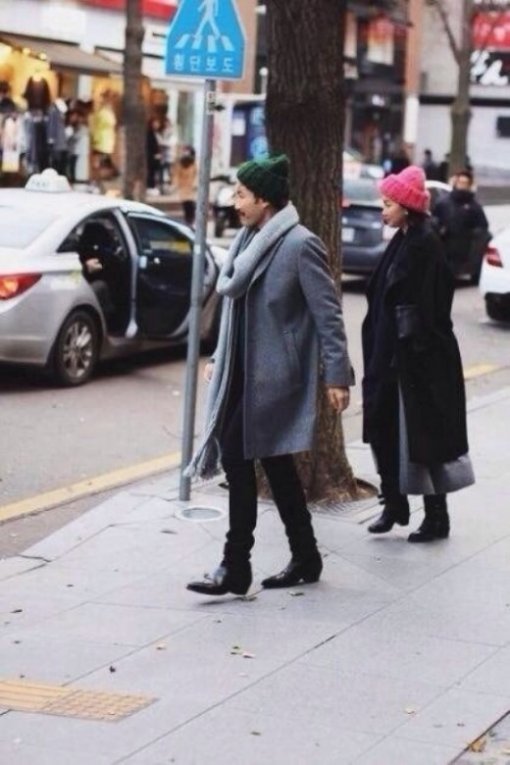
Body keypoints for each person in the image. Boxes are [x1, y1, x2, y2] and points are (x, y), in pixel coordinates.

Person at [186, 154, 354, 596]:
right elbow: (235, 310)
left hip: (276, 379)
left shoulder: (300, 245)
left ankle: (234, 564)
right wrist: (220, 355)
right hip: (240, 375)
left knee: (238, 459)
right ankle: (306, 554)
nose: (234, 201)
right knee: (276, 465)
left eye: (241, 194)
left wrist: (337, 376)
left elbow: (329, 317)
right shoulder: (247, 241)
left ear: (264, 199)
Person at [362, 165, 474, 543]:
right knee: (384, 428)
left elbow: (431, 307)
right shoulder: (404, 238)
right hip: (391, 354)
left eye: (387, 204)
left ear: (407, 207)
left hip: (415, 359)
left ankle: (436, 517)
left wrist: (411, 349)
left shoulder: (424, 243)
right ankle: (394, 504)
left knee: (423, 437)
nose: (383, 210)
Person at [432, 169, 490, 281]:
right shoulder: (443, 203)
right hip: (444, 246)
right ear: (456, 183)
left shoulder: (474, 206)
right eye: (460, 182)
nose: (462, 185)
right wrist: (440, 229)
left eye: (465, 183)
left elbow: (483, 227)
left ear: (469, 185)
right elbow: (434, 220)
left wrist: (472, 235)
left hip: (464, 248)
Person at [174, 149, 197, 226]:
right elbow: (176, 176)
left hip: (191, 188)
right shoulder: (179, 165)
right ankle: (188, 220)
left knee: (191, 205)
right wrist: (176, 185)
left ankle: (191, 220)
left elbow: (196, 174)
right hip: (183, 188)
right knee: (186, 205)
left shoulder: (193, 165)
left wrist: (195, 184)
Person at [146, 117, 162, 192]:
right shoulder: (149, 133)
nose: (157, 125)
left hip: (156, 156)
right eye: (155, 123)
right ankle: (150, 187)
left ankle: (153, 186)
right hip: (152, 156)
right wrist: (155, 154)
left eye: (158, 123)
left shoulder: (157, 133)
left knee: (154, 172)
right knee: (151, 172)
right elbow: (150, 145)